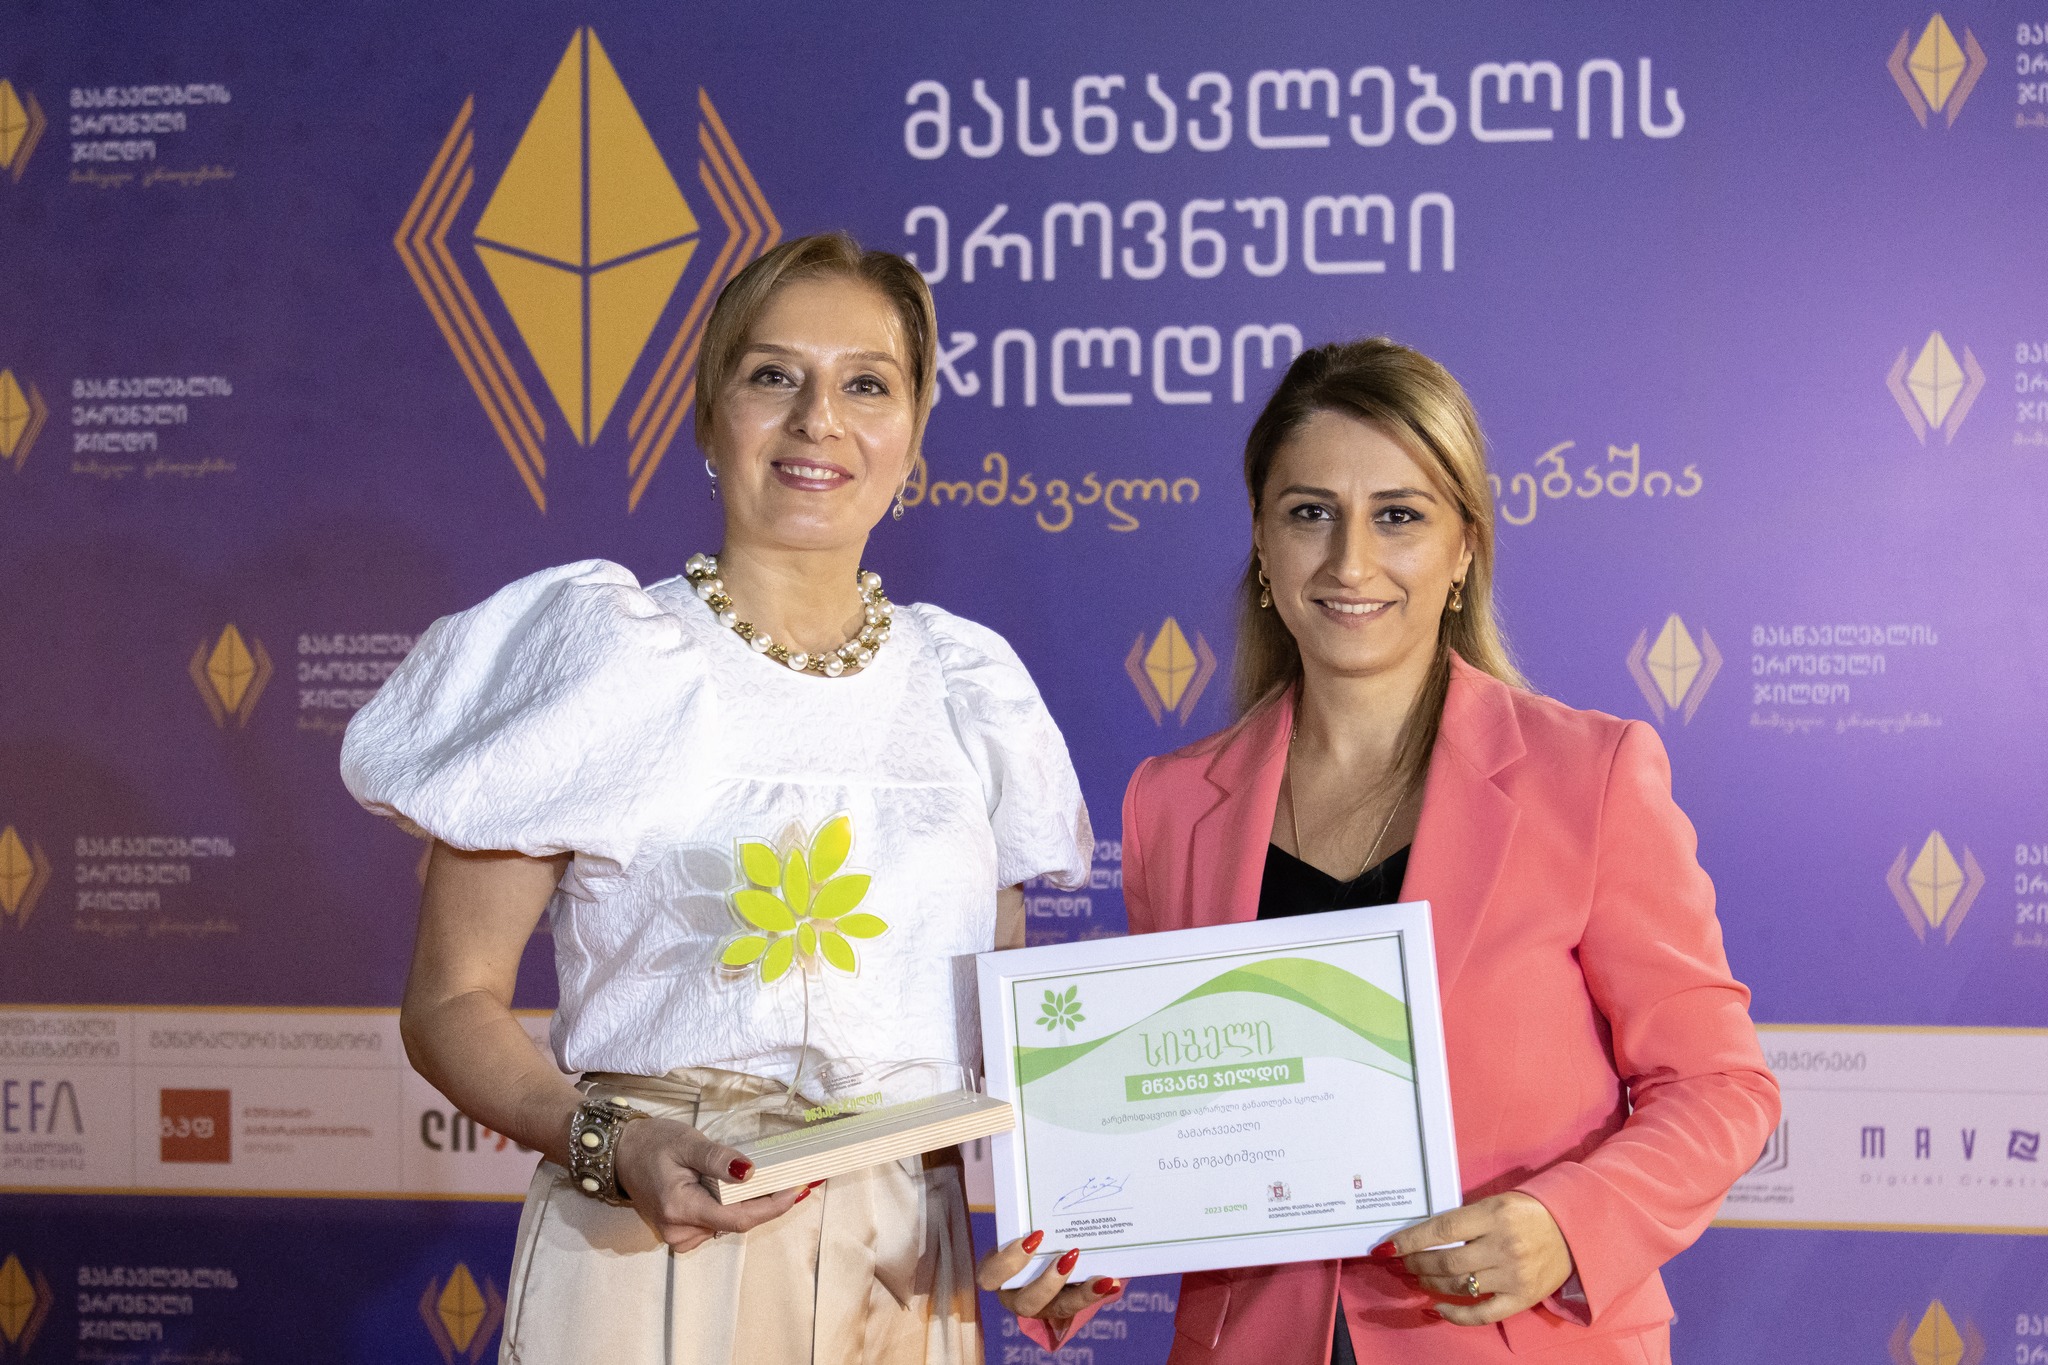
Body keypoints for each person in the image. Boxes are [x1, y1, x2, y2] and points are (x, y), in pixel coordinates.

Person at [341, 233, 1092, 1365]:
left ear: (913, 435)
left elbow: (1001, 1035)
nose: (818, 420)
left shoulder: (968, 687)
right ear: (707, 416)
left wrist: (1054, 1232)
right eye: (773, 375)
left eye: (867, 385)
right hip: (649, 1243)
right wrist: (611, 1145)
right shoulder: (601, 656)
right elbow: (449, 1003)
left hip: (902, 1259)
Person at [983, 338, 1779, 1363]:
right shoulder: (1170, 805)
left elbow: (1720, 1086)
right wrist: (1074, 1260)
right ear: (1261, 542)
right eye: (1309, 512)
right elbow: (1182, 1129)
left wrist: (1565, 1224)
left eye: (1398, 515)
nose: (1349, 562)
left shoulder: (1591, 775)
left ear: (1463, 548)